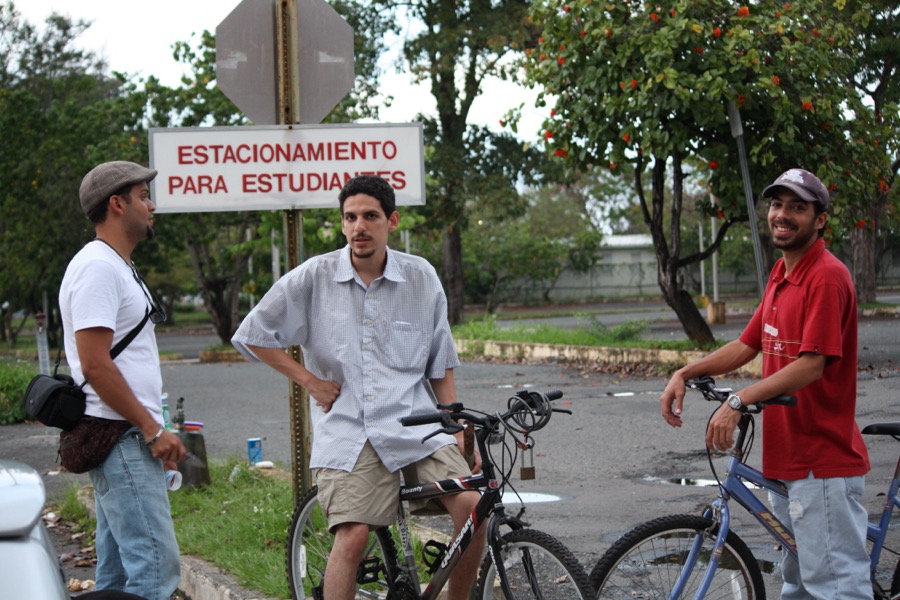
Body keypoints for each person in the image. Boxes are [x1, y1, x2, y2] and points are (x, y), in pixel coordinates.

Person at [232, 174, 483, 600]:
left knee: (474, 510)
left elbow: (440, 363)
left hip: (416, 425)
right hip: (349, 430)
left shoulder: (420, 278)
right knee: (353, 535)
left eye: (370, 216)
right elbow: (252, 333)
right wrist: (309, 381)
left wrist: (456, 423)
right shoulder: (315, 277)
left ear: (392, 221)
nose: (358, 227)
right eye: (350, 217)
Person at [660, 168, 871, 599]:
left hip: (821, 461)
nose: (783, 214)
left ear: (820, 219)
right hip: (786, 459)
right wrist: (686, 372)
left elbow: (811, 365)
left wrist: (738, 401)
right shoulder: (781, 272)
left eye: (798, 207)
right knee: (796, 583)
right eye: (777, 204)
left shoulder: (826, 276)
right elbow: (747, 343)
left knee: (836, 587)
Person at [60, 161, 186, 600]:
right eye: (143, 196)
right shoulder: (98, 268)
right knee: (154, 572)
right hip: (122, 438)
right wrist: (152, 429)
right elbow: (96, 364)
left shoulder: (114, 264)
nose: (151, 206)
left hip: (124, 437)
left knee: (115, 581)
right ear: (117, 204)